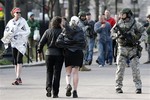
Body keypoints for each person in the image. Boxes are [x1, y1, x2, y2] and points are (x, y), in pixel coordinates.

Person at [111, 8, 147, 94]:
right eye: (120, 14)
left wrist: (139, 41)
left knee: (135, 69)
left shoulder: (135, 24)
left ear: (128, 15)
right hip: (122, 48)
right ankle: (118, 86)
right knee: (120, 69)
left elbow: (144, 34)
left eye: (123, 14)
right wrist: (117, 35)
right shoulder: (118, 23)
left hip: (132, 49)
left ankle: (138, 87)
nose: (121, 16)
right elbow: (112, 32)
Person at [56, 16, 86, 98]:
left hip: (69, 52)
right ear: (77, 22)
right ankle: (75, 91)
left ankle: (68, 84)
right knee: (75, 72)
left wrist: (67, 45)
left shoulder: (65, 30)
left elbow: (58, 41)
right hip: (78, 52)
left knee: (68, 72)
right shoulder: (80, 31)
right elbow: (84, 43)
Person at [1, 7, 30, 85]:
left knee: (19, 59)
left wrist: (20, 33)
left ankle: (17, 78)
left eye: (19, 12)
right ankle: (18, 77)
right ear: (13, 13)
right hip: (14, 43)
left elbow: (28, 31)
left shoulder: (23, 21)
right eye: (17, 12)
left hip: (21, 43)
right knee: (14, 61)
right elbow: (6, 31)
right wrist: (8, 38)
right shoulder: (10, 22)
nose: (18, 14)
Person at [37, 16, 64, 98]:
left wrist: (39, 51)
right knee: (57, 73)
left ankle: (48, 87)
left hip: (49, 53)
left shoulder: (48, 31)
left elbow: (41, 42)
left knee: (49, 72)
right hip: (59, 54)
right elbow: (66, 42)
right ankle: (55, 92)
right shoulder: (62, 32)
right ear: (59, 23)